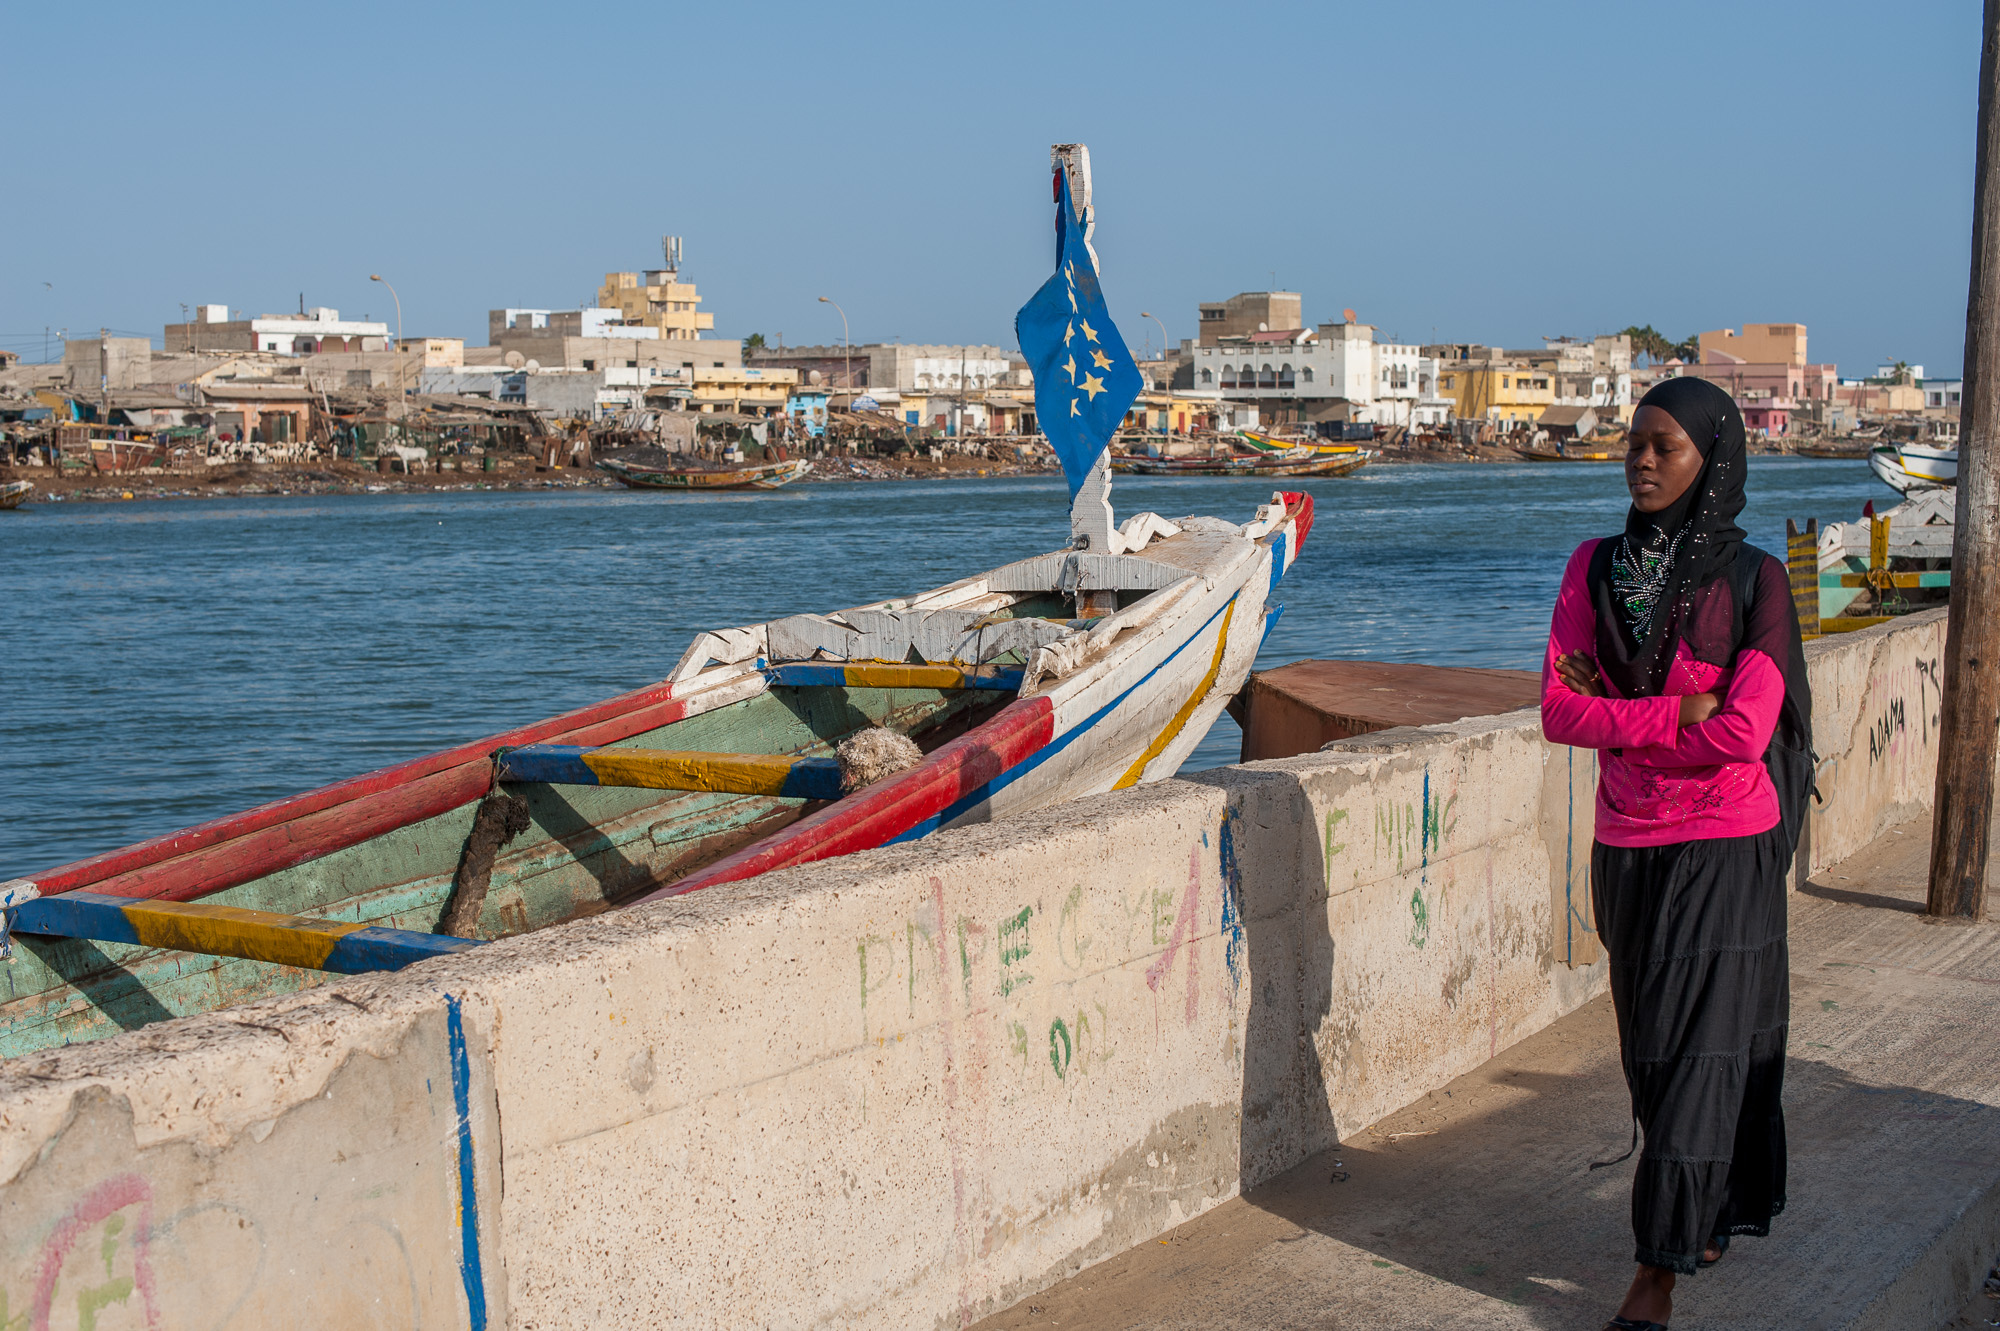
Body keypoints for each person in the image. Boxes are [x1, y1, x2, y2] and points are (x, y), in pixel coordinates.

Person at [1540, 376, 1813, 1331]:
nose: (1644, 460)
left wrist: (1621, 720)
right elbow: (1557, 712)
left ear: (1714, 460)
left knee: (1699, 1052)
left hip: (1724, 846)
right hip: (1627, 845)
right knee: (1652, 1054)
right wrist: (1672, 710)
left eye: (1667, 446)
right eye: (1635, 443)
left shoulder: (1756, 583)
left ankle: (1653, 1276)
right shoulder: (1593, 568)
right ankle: (1701, 1209)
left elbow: (1744, 734)